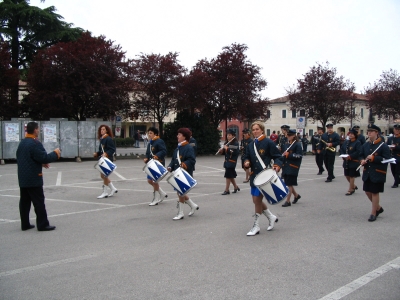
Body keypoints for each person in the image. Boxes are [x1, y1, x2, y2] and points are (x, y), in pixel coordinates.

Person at [16, 121, 61, 231]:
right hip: (33, 177)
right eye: (38, 129)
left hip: (23, 177)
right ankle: (43, 224)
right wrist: (55, 153)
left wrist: (40, 162)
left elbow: (27, 157)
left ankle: (25, 224)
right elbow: (44, 157)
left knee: (24, 202)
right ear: (35, 130)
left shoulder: (22, 143)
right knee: (39, 201)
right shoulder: (35, 143)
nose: (39, 131)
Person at [243, 121, 283, 236]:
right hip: (255, 177)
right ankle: (271, 217)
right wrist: (246, 162)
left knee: (257, 201)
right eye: (253, 129)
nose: (255, 131)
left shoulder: (268, 142)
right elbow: (246, 156)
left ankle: (256, 226)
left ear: (262, 130)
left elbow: (278, 156)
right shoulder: (250, 144)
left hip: (265, 177)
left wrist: (277, 165)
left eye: (257, 129)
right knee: (256, 201)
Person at [359, 124, 391, 222]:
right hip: (367, 172)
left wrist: (374, 158)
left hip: (377, 172)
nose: (369, 133)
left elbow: (387, 158)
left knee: (375, 192)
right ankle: (378, 208)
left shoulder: (383, 146)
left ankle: (373, 213)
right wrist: (362, 161)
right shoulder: (365, 145)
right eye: (368, 132)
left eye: (371, 132)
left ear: (377, 133)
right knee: (367, 191)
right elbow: (360, 155)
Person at [167, 128, 199, 220]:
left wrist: (185, 164)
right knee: (180, 192)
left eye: (179, 134)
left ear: (184, 136)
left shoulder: (188, 147)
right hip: (177, 173)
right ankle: (193, 205)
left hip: (184, 173)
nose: (177, 136)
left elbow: (192, 160)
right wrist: (170, 166)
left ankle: (180, 213)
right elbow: (174, 160)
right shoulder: (178, 147)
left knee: (181, 193)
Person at [144, 127, 168, 206]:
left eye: (151, 133)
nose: (149, 134)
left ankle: (156, 198)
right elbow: (148, 152)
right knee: (149, 181)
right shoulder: (150, 142)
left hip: (158, 164)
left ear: (155, 134)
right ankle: (162, 193)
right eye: (149, 133)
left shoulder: (159, 141)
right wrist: (146, 158)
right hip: (151, 164)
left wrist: (157, 156)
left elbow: (164, 151)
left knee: (155, 181)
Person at [93, 125, 118, 199]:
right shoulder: (102, 139)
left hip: (107, 159)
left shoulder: (108, 139)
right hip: (103, 159)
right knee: (103, 176)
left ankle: (105, 192)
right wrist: (97, 153)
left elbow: (112, 149)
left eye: (103, 129)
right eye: (101, 129)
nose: (102, 131)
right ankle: (113, 188)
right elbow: (101, 150)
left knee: (104, 176)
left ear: (106, 130)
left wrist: (107, 153)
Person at [280, 129, 303, 207]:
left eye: (290, 135)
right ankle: (296, 195)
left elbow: (299, 155)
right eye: (288, 135)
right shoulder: (286, 144)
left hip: (293, 166)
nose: (288, 137)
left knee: (288, 184)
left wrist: (289, 155)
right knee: (288, 183)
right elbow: (283, 154)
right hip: (286, 166)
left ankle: (288, 201)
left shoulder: (297, 144)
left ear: (294, 136)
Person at [340, 128, 362, 195]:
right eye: (350, 134)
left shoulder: (357, 142)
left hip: (354, 161)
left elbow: (358, 152)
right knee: (347, 175)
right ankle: (353, 185)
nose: (351, 135)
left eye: (352, 134)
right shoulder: (346, 142)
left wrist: (350, 156)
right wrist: (343, 155)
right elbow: (342, 149)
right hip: (346, 161)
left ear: (355, 135)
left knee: (352, 175)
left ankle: (351, 189)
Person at [218, 129, 240, 195]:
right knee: (230, 175)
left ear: (233, 136)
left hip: (232, 161)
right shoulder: (227, 143)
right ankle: (236, 187)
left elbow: (234, 152)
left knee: (228, 175)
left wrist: (227, 148)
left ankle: (227, 190)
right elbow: (225, 153)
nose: (228, 136)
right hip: (227, 161)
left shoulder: (235, 143)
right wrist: (221, 151)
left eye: (229, 135)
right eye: (227, 135)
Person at [386, 124, 400, 188]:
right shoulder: (390, 138)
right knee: (393, 170)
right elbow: (386, 146)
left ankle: (396, 183)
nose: (396, 131)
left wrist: (396, 147)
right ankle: (397, 180)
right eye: (395, 129)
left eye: (398, 130)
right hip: (392, 156)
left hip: (398, 156)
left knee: (397, 170)